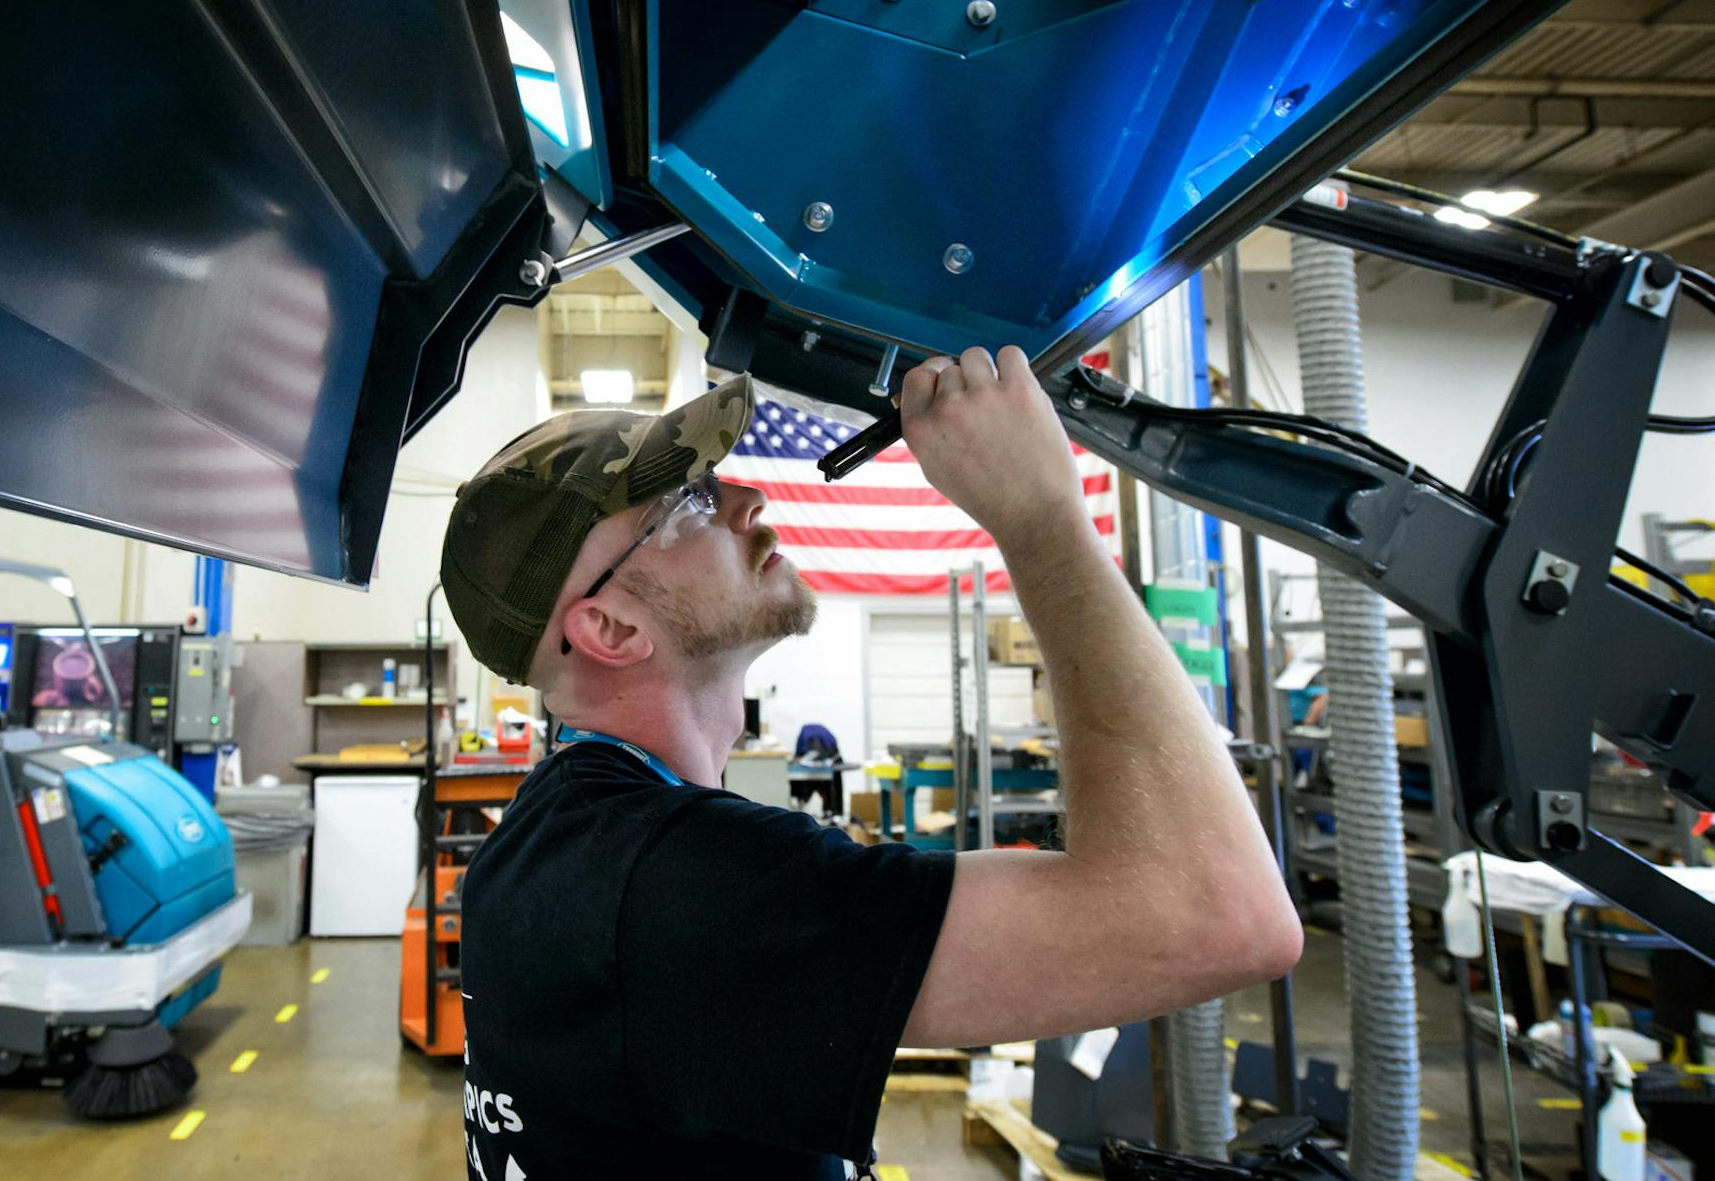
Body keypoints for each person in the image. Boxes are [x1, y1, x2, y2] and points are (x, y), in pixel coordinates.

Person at [438, 347, 1303, 1180]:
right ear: (612, 631)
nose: (746, 498)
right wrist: (1042, 521)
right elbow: (1219, 912)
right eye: (688, 504)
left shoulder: (558, 838)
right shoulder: (678, 889)